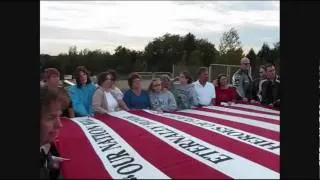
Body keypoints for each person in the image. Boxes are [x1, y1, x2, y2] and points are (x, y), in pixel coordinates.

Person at [40, 87, 69, 179]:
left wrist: (50, 160)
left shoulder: (43, 144)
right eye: (51, 117)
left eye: (59, 116)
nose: (60, 125)